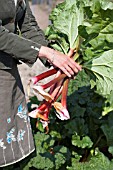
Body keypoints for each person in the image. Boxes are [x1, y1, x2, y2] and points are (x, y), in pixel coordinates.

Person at [0, 0, 81, 168]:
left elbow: (27, 24)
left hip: (7, 70)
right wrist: (46, 53)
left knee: (7, 137)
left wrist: (56, 62)